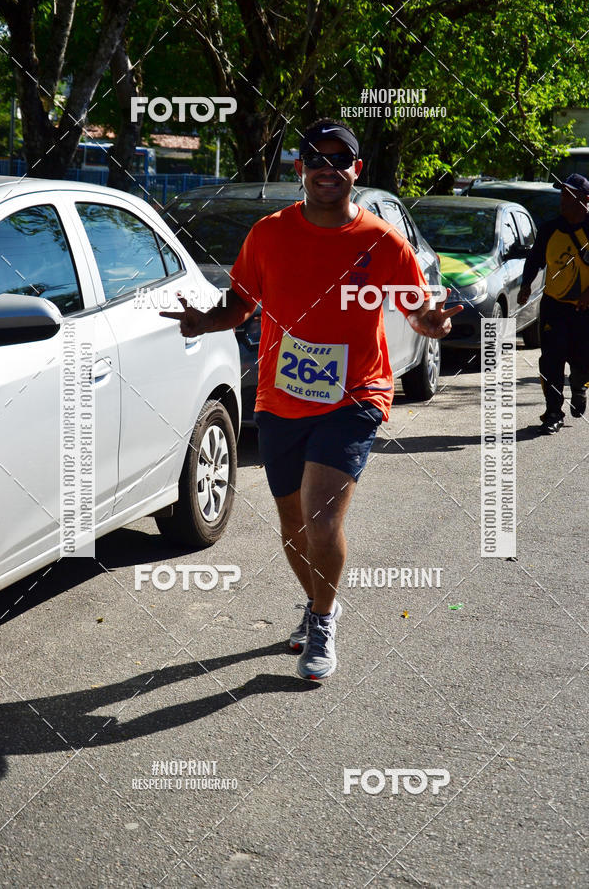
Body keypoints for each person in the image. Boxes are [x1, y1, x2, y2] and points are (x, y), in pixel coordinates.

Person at [161, 119, 462, 679]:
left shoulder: (383, 242)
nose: (328, 169)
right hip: (280, 399)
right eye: (316, 159)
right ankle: (318, 600)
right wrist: (205, 322)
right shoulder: (269, 234)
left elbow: (417, 312)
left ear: (356, 170)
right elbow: (240, 306)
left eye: (339, 160)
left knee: (321, 520)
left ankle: (322, 621)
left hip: (355, 397)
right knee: (294, 529)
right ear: (300, 168)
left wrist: (435, 324)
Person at [517, 173, 589, 434]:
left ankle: (580, 384)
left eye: (569, 195)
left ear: (585, 200)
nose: (563, 199)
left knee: (583, 360)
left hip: (585, 310)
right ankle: (552, 413)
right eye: (562, 194)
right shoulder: (550, 229)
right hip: (554, 306)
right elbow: (535, 259)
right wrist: (526, 285)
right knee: (551, 360)